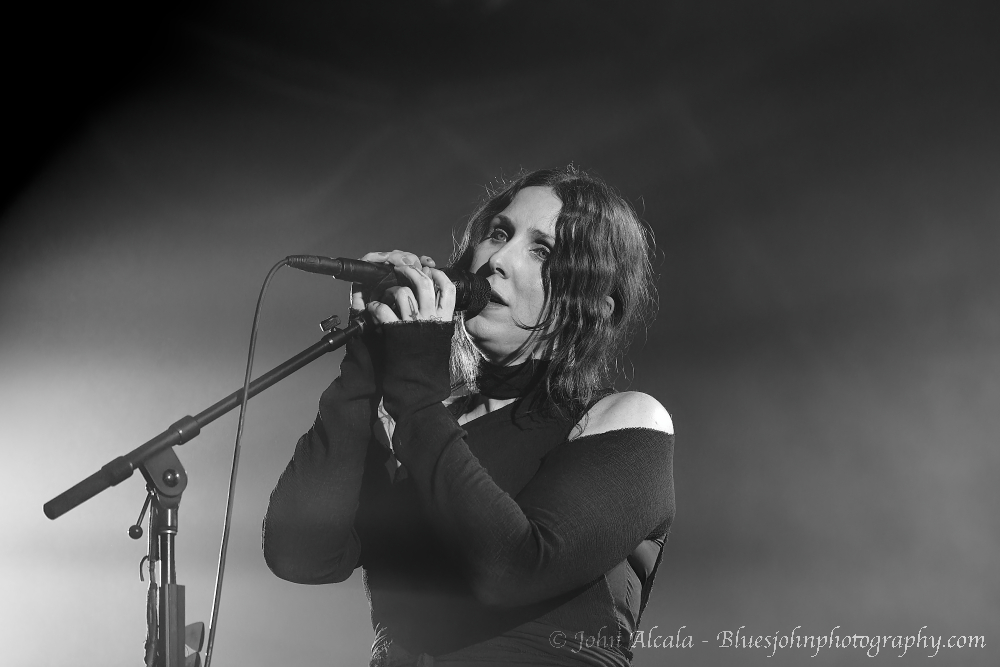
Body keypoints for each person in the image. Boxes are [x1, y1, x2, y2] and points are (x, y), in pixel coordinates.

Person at [263, 166, 675, 666]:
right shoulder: (421, 419)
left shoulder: (625, 419)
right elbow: (300, 554)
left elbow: (515, 568)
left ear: (595, 304)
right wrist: (367, 364)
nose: (497, 259)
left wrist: (414, 397)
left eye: (541, 250)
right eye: (497, 233)